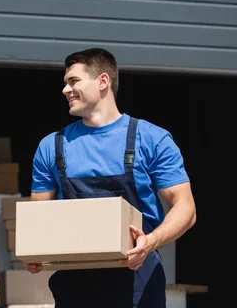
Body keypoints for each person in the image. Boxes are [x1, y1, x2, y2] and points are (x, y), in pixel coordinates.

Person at [23, 48, 196, 308]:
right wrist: (33, 251)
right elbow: (39, 217)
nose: (65, 90)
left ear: (103, 81)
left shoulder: (151, 139)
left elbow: (186, 208)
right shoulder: (52, 147)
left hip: (138, 279)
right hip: (76, 284)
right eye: (65, 84)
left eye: (73, 81)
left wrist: (149, 242)